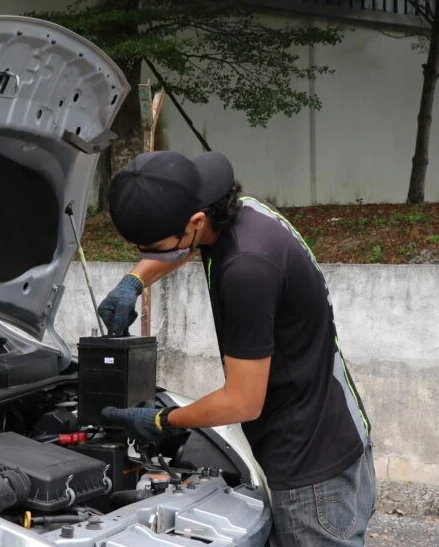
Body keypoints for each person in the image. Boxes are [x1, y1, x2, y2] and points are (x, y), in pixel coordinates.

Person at [97, 150, 376, 546]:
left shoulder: (246, 269)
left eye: (153, 247)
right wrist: (135, 281)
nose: (150, 256)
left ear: (196, 220)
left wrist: (164, 421)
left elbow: (242, 401)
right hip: (335, 424)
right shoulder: (238, 211)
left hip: (311, 470)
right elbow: (182, 245)